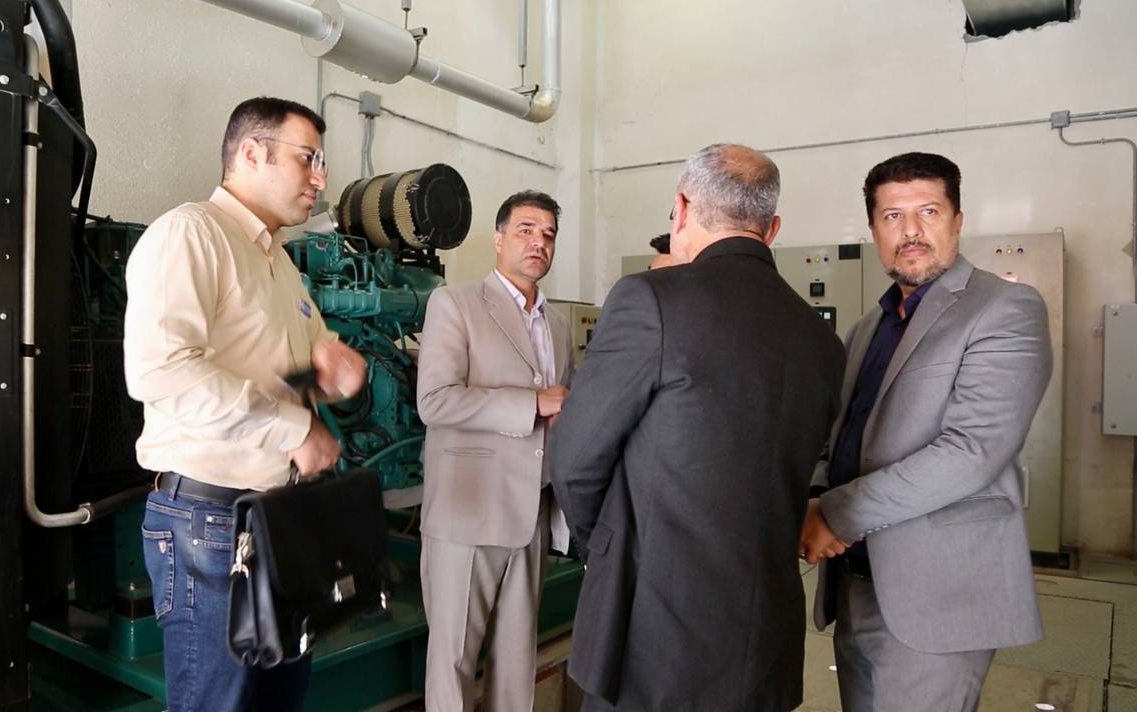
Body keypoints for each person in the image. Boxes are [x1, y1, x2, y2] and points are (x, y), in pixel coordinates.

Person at [549, 144, 845, 711]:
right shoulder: (820, 339)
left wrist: (609, 544)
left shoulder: (651, 300)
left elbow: (574, 458)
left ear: (682, 209)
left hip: (652, 633)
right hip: (764, 639)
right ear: (772, 229)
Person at [123, 97, 366, 712]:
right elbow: (163, 372)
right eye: (308, 159)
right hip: (208, 523)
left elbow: (285, 375)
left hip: (275, 519)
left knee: (277, 699)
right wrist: (294, 430)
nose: (320, 179)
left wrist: (330, 374)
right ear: (252, 153)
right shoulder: (190, 234)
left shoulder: (279, 262)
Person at [800, 151, 1052, 712]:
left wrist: (833, 514)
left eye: (928, 212)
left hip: (939, 591)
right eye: (892, 216)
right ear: (874, 230)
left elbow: (971, 452)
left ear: (958, 220)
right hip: (855, 579)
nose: (910, 231)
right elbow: (839, 434)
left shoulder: (1005, 309)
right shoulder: (868, 326)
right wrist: (816, 493)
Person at [415, 190, 575, 712]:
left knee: (516, 662)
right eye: (526, 229)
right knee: (454, 661)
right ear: (499, 238)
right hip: (469, 515)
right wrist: (532, 403)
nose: (538, 242)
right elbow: (435, 401)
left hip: (531, 515)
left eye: (548, 234)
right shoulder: (455, 303)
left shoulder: (557, 323)